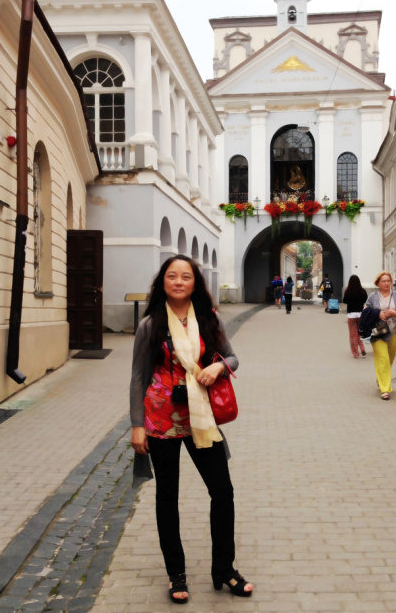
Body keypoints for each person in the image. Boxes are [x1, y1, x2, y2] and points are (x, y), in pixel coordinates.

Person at [130, 255, 253, 603]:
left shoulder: (209, 319)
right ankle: (176, 575)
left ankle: (224, 569)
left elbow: (232, 357)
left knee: (222, 491)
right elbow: (138, 377)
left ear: (195, 283)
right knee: (167, 497)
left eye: (186, 276)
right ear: (163, 282)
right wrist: (137, 426)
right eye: (172, 276)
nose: (179, 281)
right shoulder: (150, 325)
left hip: (201, 417)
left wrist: (218, 368)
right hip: (160, 419)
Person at [364, 271, 396, 400]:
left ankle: (381, 378)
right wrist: (378, 314)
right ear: (378, 283)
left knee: (389, 358)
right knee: (383, 358)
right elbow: (366, 310)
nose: (386, 283)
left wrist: (395, 313)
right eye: (383, 281)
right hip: (378, 332)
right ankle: (385, 389)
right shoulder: (373, 296)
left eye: (388, 281)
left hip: (394, 331)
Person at [342, 275, 367, 358]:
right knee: (359, 333)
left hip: (351, 315)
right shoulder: (362, 291)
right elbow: (365, 300)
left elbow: (345, 301)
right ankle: (362, 349)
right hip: (360, 314)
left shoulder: (348, 291)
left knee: (353, 335)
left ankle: (355, 353)